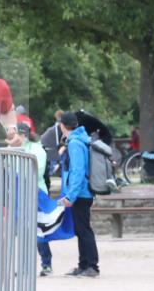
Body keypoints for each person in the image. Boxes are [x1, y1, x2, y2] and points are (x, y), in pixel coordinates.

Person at [59, 111, 100, 278]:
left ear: (63, 126)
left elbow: (77, 171)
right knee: (81, 229)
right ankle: (83, 265)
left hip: (80, 193)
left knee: (84, 230)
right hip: (84, 192)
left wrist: (71, 196)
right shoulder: (81, 139)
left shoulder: (75, 143)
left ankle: (92, 266)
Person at [13, 123, 57, 276]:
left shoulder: (37, 149)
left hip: (36, 194)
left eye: (15, 135)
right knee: (24, 231)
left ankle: (46, 263)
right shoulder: (14, 149)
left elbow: (37, 172)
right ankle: (24, 266)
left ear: (23, 135)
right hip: (20, 193)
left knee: (39, 231)